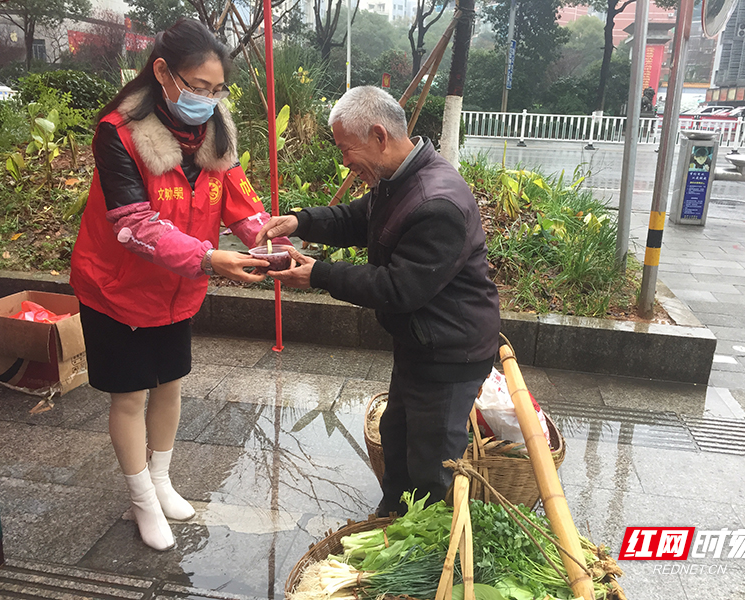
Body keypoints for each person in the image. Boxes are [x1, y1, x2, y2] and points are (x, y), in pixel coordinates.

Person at [70, 18, 285, 551]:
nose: (208, 101)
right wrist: (211, 259)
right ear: (163, 72)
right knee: (129, 396)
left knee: (169, 384)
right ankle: (141, 499)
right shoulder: (118, 133)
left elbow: (241, 203)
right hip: (115, 287)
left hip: (177, 287)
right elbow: (134, 225)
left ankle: (162, 481)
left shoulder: (215, 130)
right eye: (198, 87)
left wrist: (272, 242)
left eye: (217, 91)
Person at [257, 86, 500, 516]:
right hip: (421, 342)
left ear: (378, 136)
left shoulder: (437, 202)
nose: (344, 160)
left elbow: (398, 289)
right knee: (398, 435)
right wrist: (300, 221)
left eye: (346, 149)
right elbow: (357, 218)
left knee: (431, 463)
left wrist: (318, 273)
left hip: (449, 353)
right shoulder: (401, 179)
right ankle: (392, 517)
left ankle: (429, 553)